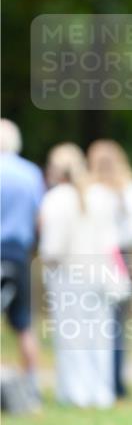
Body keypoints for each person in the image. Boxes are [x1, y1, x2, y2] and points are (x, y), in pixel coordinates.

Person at [39, 144, 122, 409]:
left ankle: (75, 392)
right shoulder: (101, 196)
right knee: (100, 335)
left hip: (68, 276)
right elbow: (112, 239)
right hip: (101, 274)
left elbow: (52, 248)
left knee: (71, 335)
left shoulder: (55, 199)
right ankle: (101, 392)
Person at [87, 140, 132, 399]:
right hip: (122, 258)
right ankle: (116, 381)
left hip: (93, 258)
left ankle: (96, 380)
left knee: (92, 323)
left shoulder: (89, 194)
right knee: (117, 324)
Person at [0, 120, 45, 407]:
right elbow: (40, 217)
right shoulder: (30, 173)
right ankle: (32, 388)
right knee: (24, 325)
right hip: (19, 254)